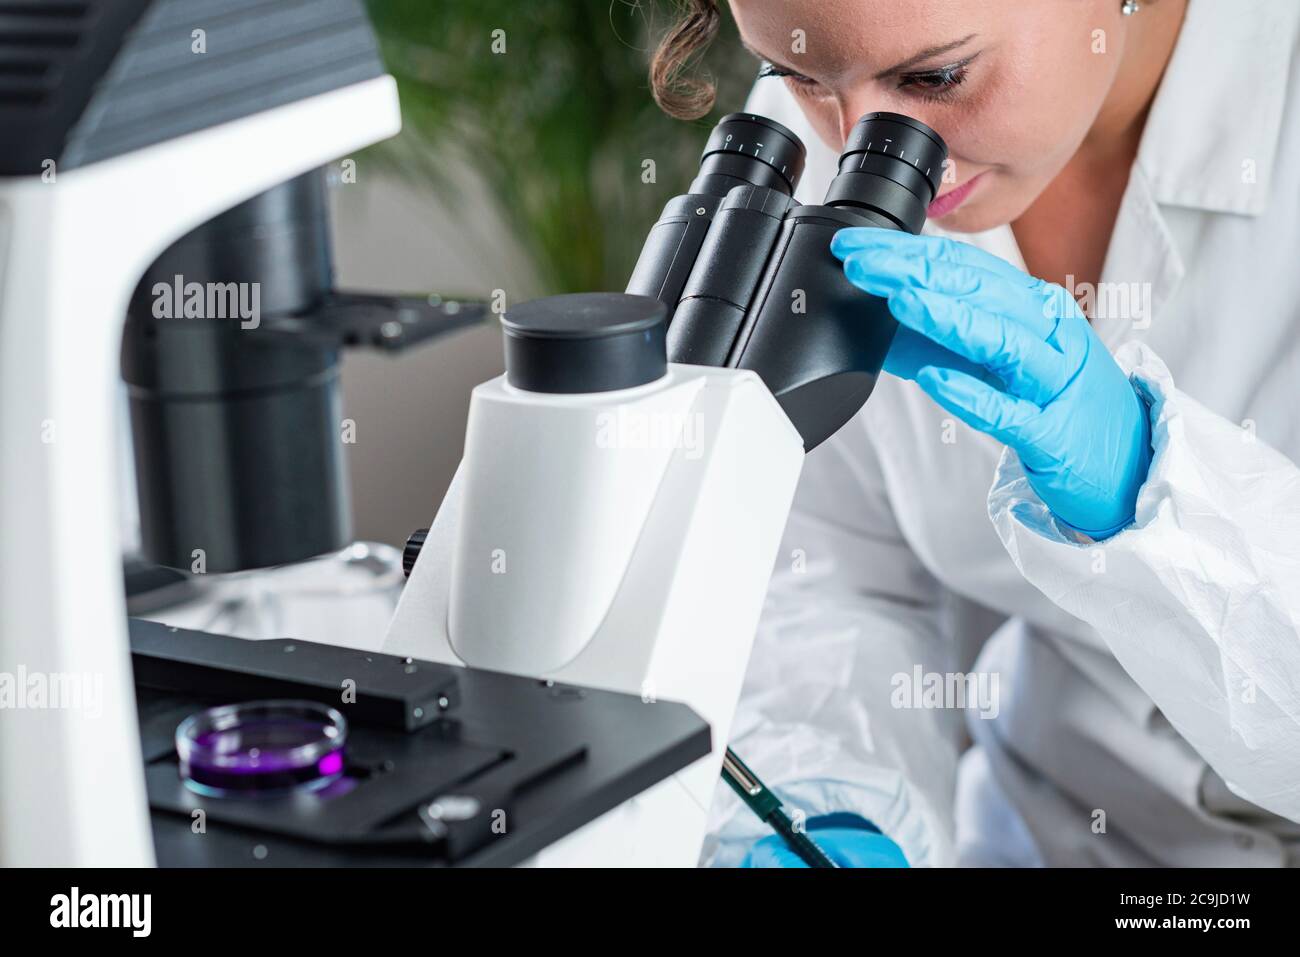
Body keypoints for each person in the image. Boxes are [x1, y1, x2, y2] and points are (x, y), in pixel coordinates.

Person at [650, 0, 1300, 866]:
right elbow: (834, 577)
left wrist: (1155, 489)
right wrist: (831, 811)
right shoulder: (834, 132)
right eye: (797, 75)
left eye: (936, 77)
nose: (857, 142)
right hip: (1039, 834)